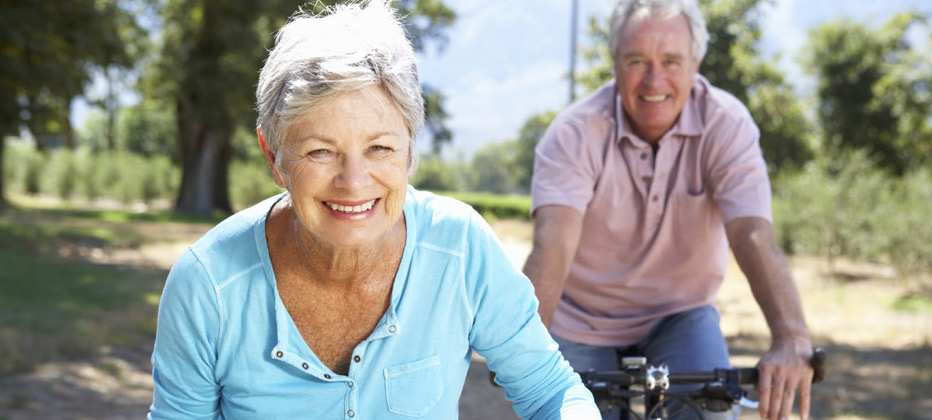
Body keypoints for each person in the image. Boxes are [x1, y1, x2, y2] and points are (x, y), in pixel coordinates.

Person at [147, 1, 600, 419]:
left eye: (380, 147)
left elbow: (550, 390)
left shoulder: (461, 246)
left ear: (409, 152)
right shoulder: (207, 285)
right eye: (321, 152)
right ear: (274, 158)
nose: (354, 182)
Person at [525, 0, 814, 419]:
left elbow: (752, 232)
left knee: (711, 412)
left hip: (680, 314)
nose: (654, 80)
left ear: (696, 62)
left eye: (672, 61)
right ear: (614, 61)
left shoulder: (726, 124)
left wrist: (791, 336)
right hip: (580, 318)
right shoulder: (574, 132)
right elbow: (553, 243)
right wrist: (526, 345)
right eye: (637, 61)